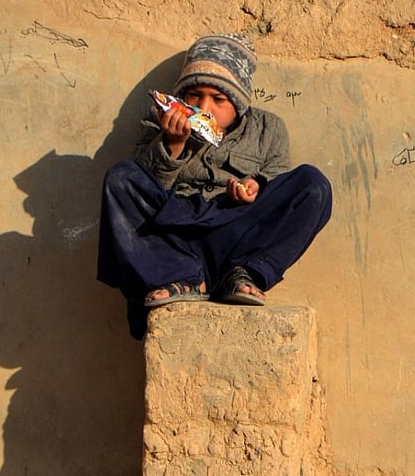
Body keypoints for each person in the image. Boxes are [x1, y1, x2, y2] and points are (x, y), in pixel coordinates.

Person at [97, 33, 332, 339]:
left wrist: (253, 188)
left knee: (313, 185)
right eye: (194, 96)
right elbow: (144, 189)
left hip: (234, 233)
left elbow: (276, 178)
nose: (205, 107)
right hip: (175, 238)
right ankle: (179, 277)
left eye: (218, 99)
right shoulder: (159, 122)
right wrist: (173, 144)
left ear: (237, 102)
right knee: (121, 178)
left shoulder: (267, 129)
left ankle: (245, 274)